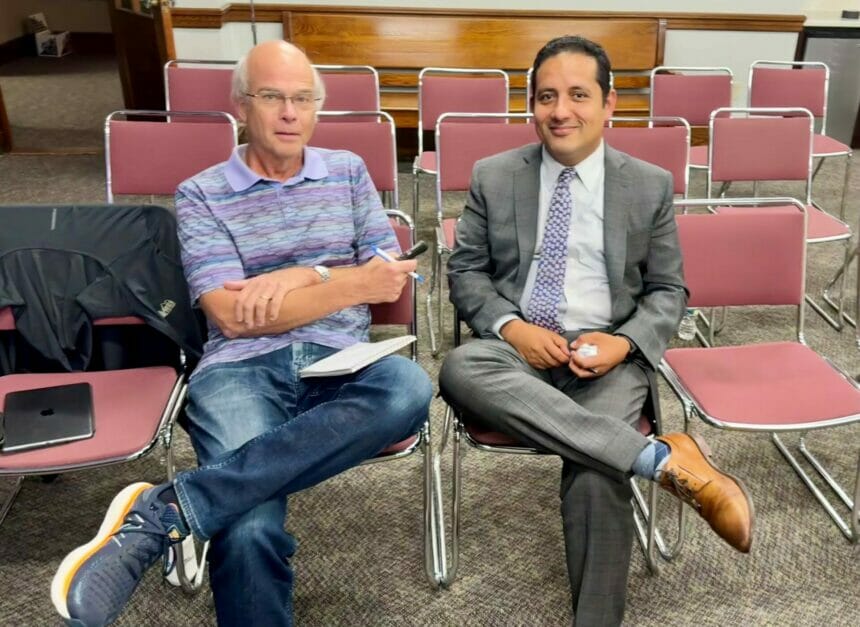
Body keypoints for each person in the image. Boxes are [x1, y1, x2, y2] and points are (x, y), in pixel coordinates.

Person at [51, 40, 432, 627]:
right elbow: (231, 317)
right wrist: (349, 281)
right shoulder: (201, 193)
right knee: (248, 525)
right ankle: (202, 513)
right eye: (273, 97)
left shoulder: (349, 172)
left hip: (344, 355)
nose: (289, 113)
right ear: (241, 105)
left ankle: (172, 509)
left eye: (304, 99)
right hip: (240, 367)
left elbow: (385, 279)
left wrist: (300, 274)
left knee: (408, 388)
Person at [438, 35, 753, 626]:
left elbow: (668, 290)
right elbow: (467, 272)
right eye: (546, 97)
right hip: (518, 354)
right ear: (531, 106)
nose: (561, 111)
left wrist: (625, 342)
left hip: (604, 354)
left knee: (595, 472)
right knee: (459, 368)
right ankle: (661, 460)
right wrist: (511, 327)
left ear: (610, 106)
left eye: (579, 95)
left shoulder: (648, 184)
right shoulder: (494, 175)